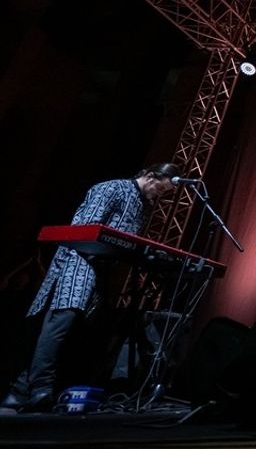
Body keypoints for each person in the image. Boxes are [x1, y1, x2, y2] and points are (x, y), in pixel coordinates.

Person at [2, 162, 180, 413]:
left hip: (101, 269)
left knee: (76, 329)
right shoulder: (110, 189)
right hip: (77, 261)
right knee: (61, 321)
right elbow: (85, 229)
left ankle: (20, 390)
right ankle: (40, 387)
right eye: (160, 189)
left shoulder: (144, 206)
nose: (159, 196)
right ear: (150, 177)